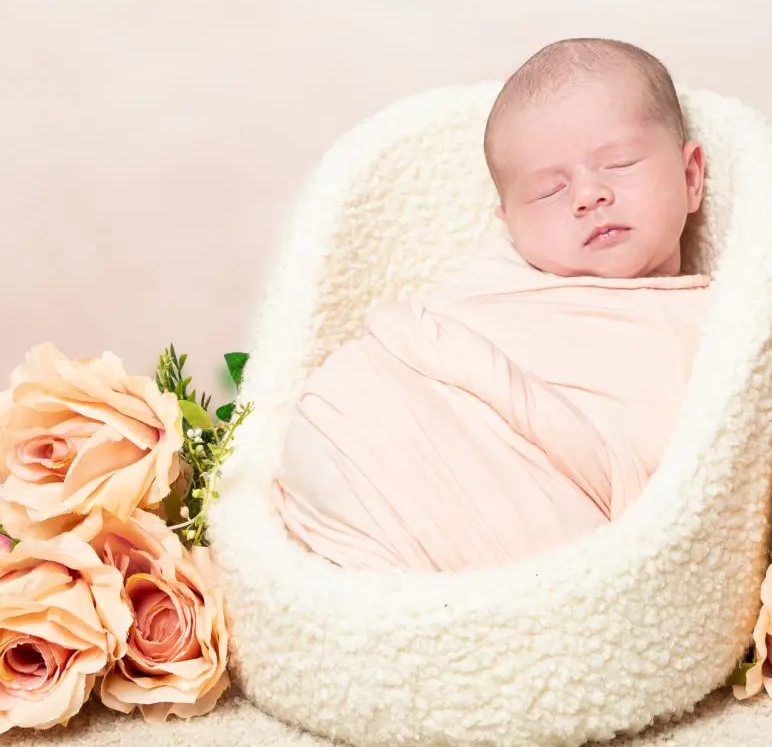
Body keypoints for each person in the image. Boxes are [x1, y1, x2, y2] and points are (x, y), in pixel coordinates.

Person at [272, 38, 712, 572]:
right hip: (364, 434)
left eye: (619, 164)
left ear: (691, 178)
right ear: (510, 223)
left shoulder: (717, 324)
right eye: (549, 191)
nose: (588, 196)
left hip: (541, 511)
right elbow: (418, 347)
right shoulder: (499, 280)